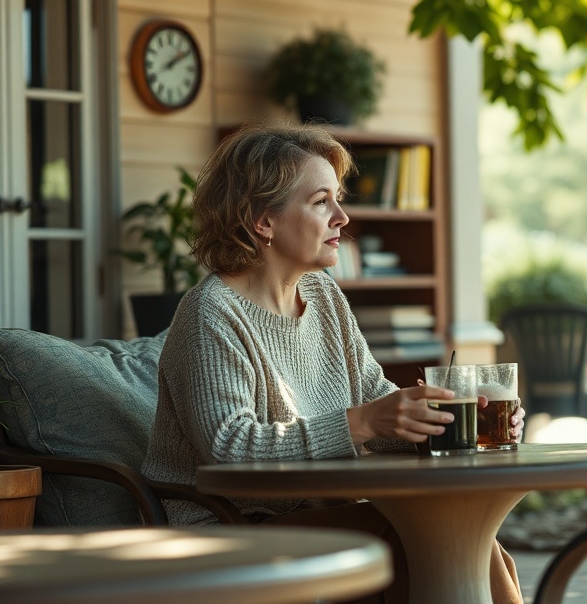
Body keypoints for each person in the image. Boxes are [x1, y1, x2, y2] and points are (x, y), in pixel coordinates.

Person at [142, 122, 524, 604]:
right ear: (263, 220)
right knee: (438, 543)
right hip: (228, 528)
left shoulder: (322, 296)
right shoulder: (210, 314)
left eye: (337, 199)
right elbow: (230, 448)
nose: (342, 217)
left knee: (468, 541)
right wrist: (362, 422)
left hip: (314, 512)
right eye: (321, 201)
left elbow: (374, 399)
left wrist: (443, 418)